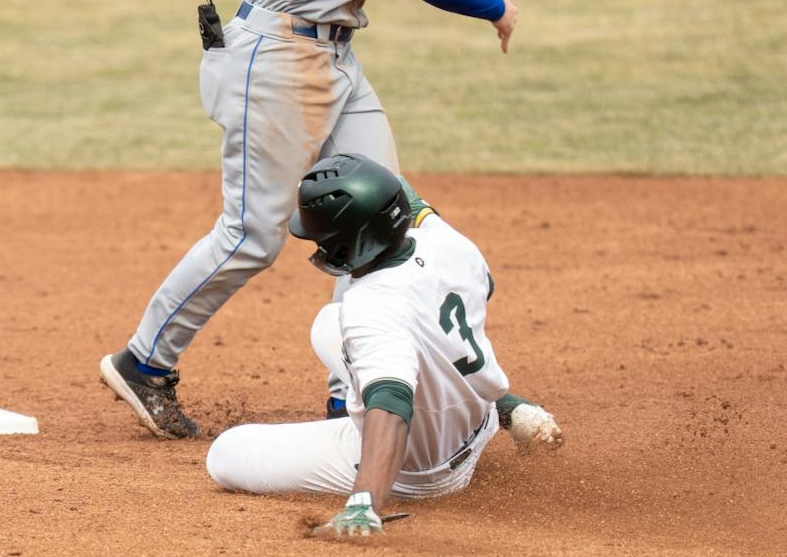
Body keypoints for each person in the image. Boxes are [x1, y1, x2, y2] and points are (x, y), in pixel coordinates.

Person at [101, 0, 521, 438]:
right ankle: (145, 361)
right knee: (249, 237)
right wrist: (496, 7)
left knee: (383, 220)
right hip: (282, 59)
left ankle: (348, 395)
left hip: (329, 55)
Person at [203, 154, 562, 536]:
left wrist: (364, 503)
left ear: (345, 245)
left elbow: (391, 406)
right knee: (327, 323)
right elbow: (471, 274)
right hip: (474, 421)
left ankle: (387, 480)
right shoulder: (449, 241)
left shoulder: (371, 306)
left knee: (225, 454)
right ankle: (506, 408)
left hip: (422, 473)